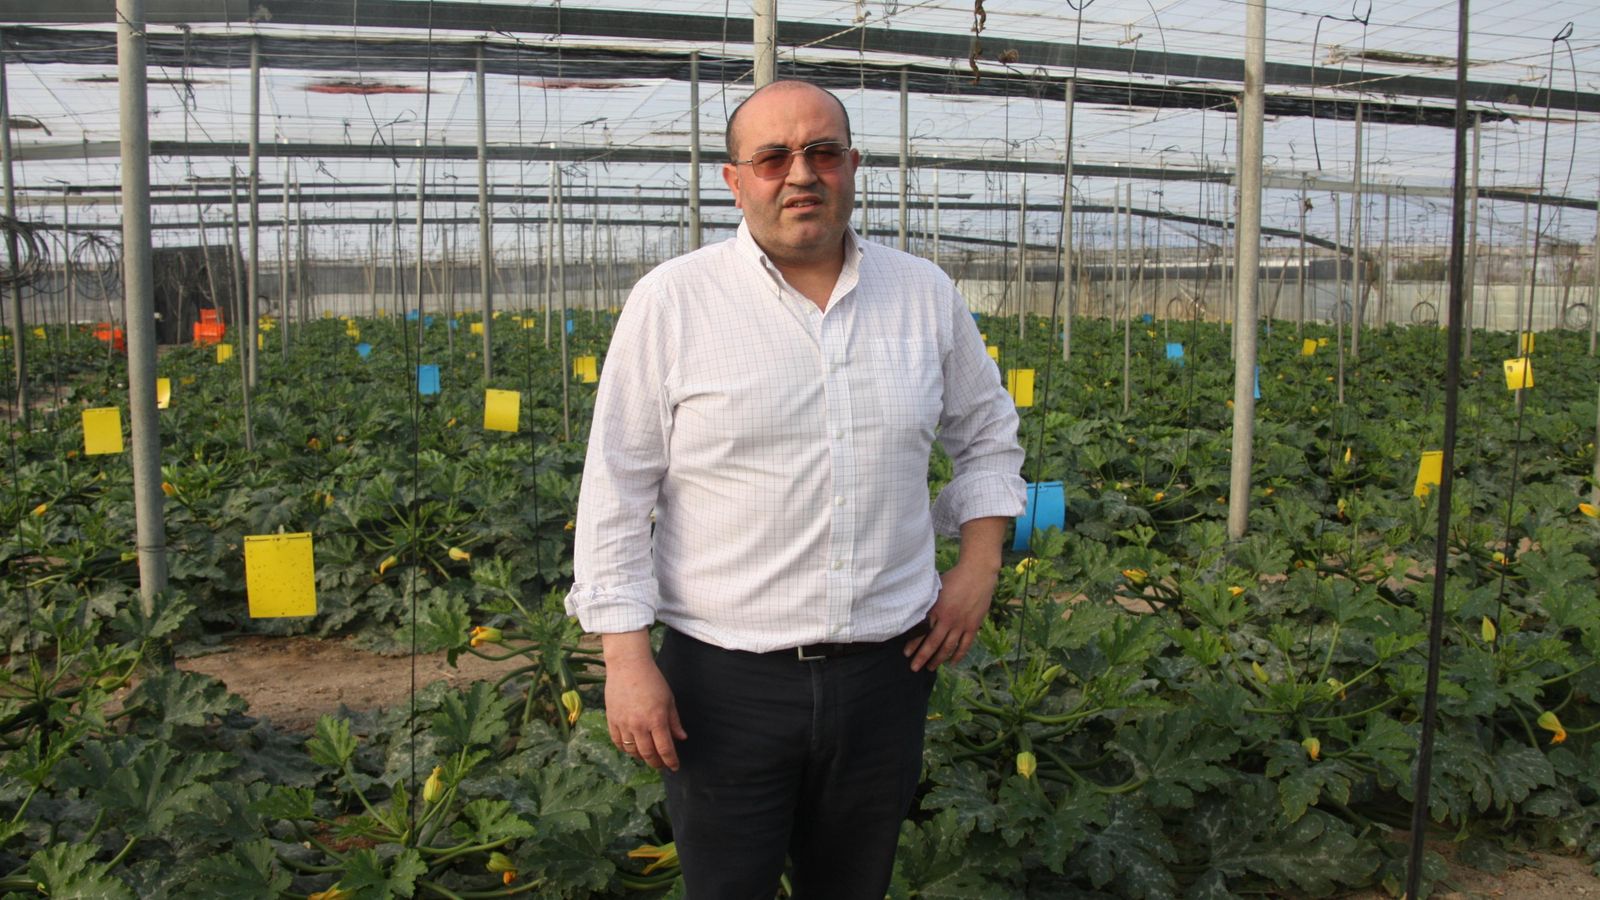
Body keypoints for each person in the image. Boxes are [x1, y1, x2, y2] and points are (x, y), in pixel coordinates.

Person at [565, 79, 1025, 899]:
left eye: (822, 152)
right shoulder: (673, 301)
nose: (800, 174)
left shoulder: (924, 294)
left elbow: (988, 436)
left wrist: (979, 565)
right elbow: (617, 491)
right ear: (735, 179)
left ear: (853, 166)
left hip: (887, 674)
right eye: (773, 157)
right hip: (724, 683)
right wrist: (625, 659)